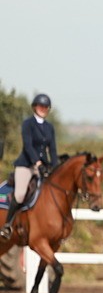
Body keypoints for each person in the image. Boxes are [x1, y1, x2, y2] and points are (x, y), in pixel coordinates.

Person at [1, 93, 58, 239]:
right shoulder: (28, 123)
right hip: (26, 165)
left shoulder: (49, 127)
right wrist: (36, 163)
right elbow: (28, 145)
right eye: (40, 106)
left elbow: (52, 149)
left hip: (42, 166)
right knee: (20, 195)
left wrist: (55, 166)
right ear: (34, 107)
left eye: (46, 107)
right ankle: (7, 225)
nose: (43, 108)